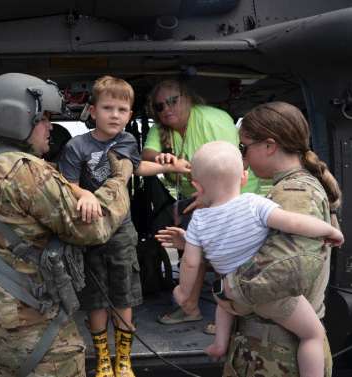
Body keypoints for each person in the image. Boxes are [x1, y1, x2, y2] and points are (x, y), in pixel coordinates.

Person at [0, 72, 135, 377]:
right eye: (44, 119)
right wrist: (119, 179)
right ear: (20, 117)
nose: (49, 127)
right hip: (33, 324)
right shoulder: (25, 171)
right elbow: (94, 229)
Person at [171, 141, 343, 377]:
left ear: (197, 187)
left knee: (223, 302)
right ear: (243, 177)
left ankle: (220, 343)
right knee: (312, 334)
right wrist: (329, 231)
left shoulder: (198, 221)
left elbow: (191, 263)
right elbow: (293, 222)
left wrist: (183, 292)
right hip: (265, 295)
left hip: (229, 295)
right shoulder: (254, 203)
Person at [58, 76, 190, 377]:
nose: (115, 114)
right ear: (92, 111)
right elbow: (68, 184)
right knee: (96, 296)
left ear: (130, 115)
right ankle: (104, 358)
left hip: (121, 231)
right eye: (107, 108)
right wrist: (87, 194)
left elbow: (138, 168)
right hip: (91, 233)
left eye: (122, 109)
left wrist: (169, 166)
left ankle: (124, 359)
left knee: (125, 294)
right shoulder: (77, 146)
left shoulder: (128, 142)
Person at [213, 101, 341, 377]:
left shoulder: (295, 193)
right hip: (268, 351)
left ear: (269, 146)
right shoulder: (288, 189)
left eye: (244, 147)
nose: (243, 158)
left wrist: (228, 289)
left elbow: (290, 270)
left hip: (277, 356)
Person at [142, 79, 262, 326]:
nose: (167, 109)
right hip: (199, 196)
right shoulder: (162, 127)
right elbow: (146, 156)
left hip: (233, 193)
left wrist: (209, 199)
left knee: (226, 254)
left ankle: (235, 315)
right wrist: (165, 159)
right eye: (160, 106)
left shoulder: (212, 119)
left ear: (187, 98)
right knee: (188, 249)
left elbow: (230, 164)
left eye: (173, 101)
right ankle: (190, 307)